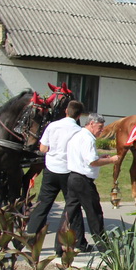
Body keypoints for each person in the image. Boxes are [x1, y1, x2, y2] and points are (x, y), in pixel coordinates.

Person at [26, 100, 85, 253]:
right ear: (79, 115)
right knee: (72, 206)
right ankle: (73, 242)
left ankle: (30, 237)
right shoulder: (79, 131)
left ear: (66, 111)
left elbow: (43, 148)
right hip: (68, 171)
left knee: (43, 204)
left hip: (51, 169)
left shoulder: (52, 126)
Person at [62, 113, 120, 252]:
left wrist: (100, 157)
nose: (101, 130)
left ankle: (66, 245)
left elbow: (85, 157)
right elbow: (92, 162)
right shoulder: (88, 139)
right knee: (94, 213)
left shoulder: (78, 135)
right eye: (100, 127)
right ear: (91, 123)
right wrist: (111, 160)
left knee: (71, 213)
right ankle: (103, 246)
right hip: (83, 181)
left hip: (73, 177)